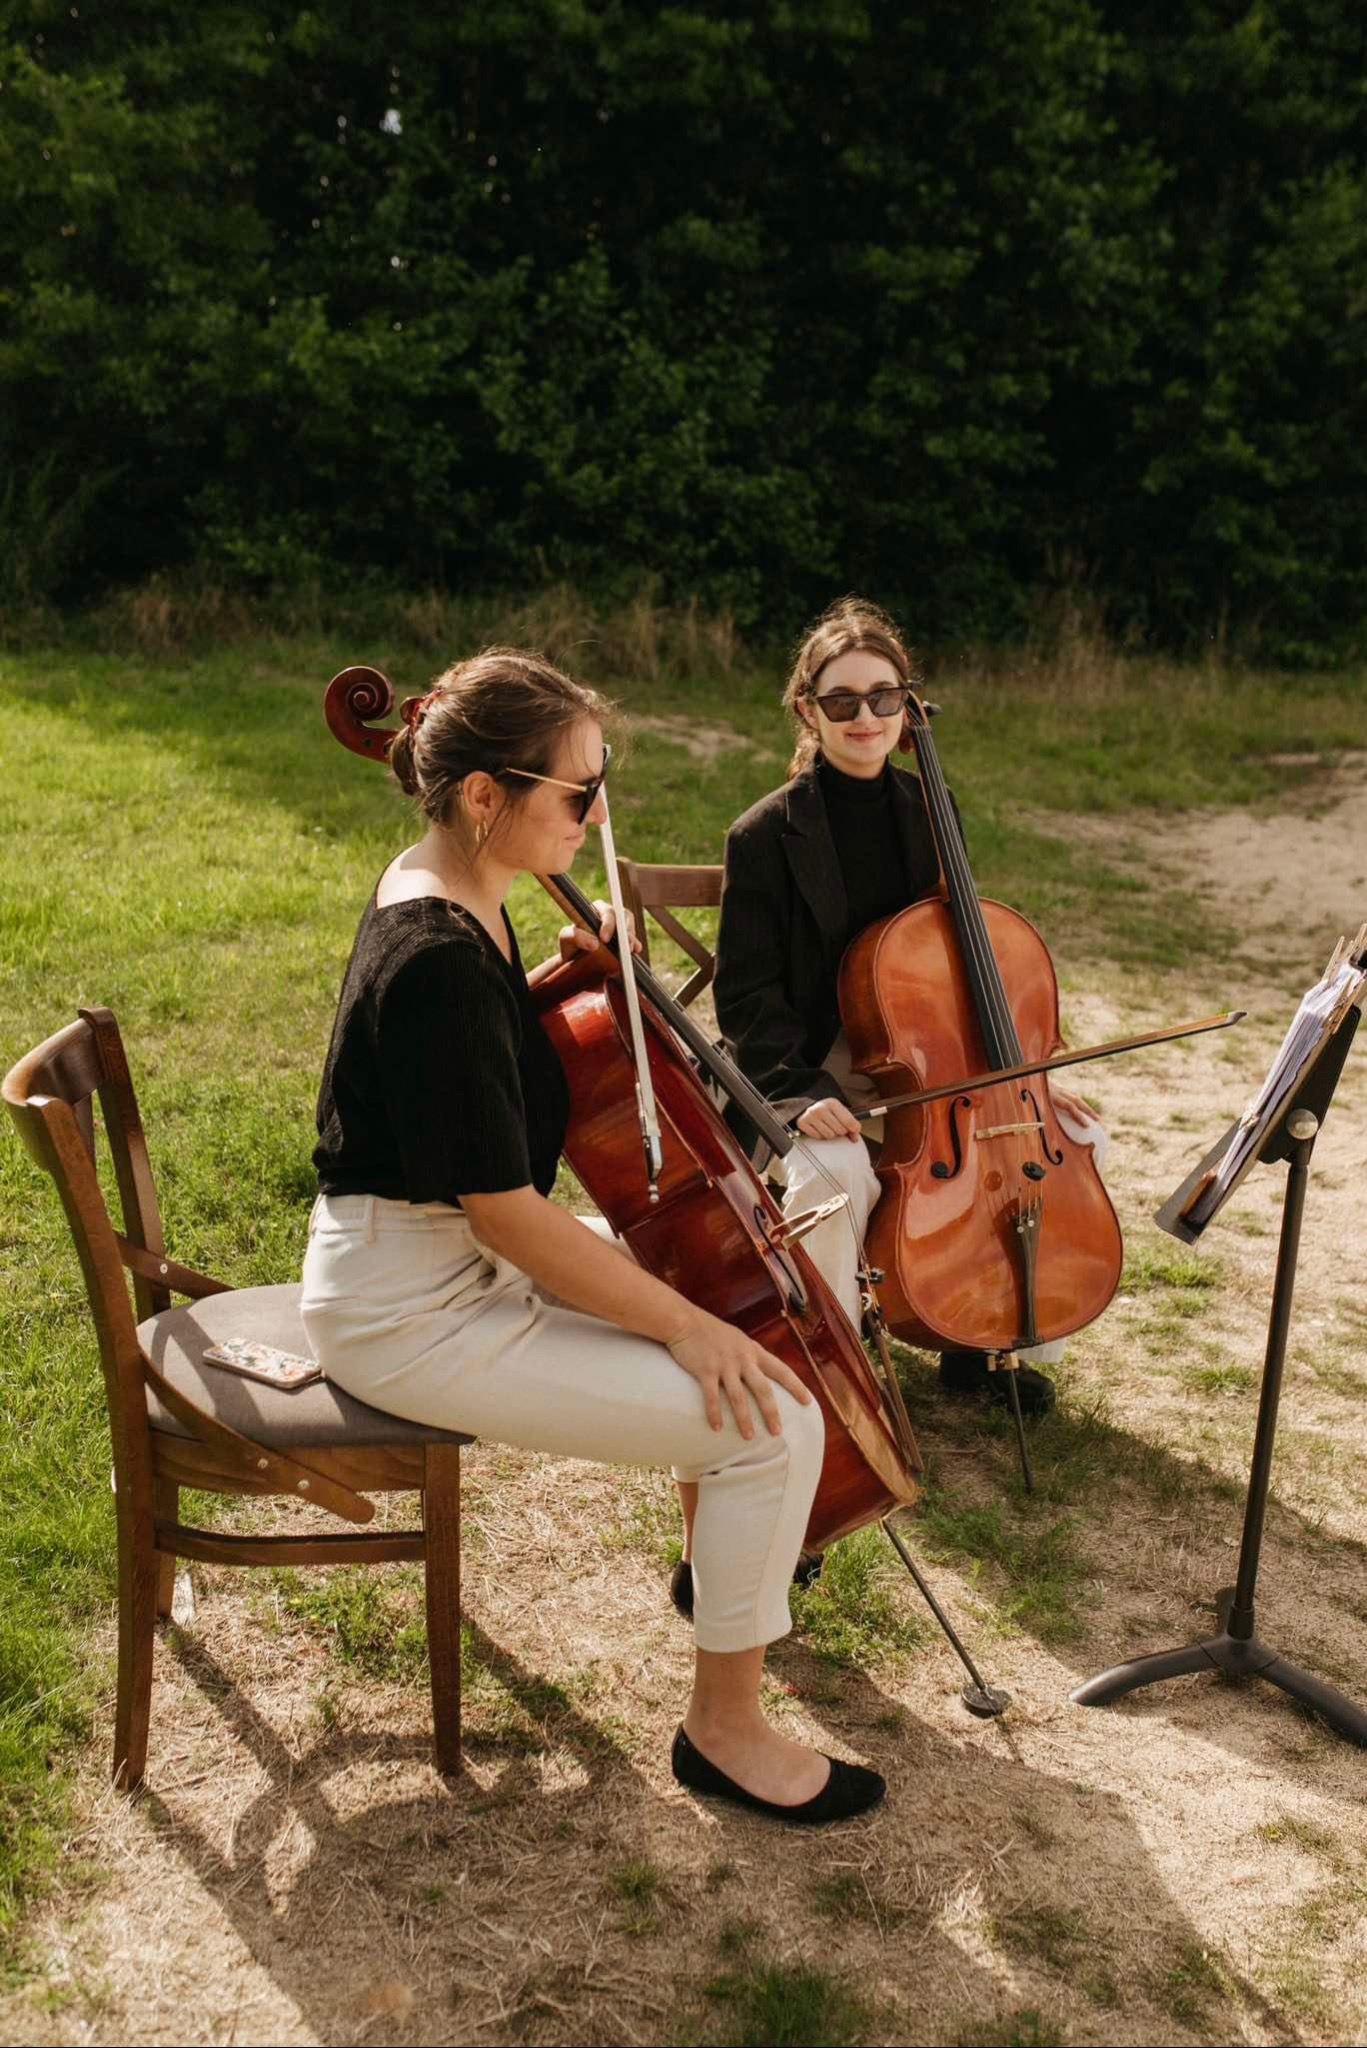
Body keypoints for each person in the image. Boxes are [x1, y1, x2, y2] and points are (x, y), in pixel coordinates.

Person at [300, 646, 884, 1826]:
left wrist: (584, 965)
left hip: (430, 1256)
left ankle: (725, 1565)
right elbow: (506, 1210)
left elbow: (477, 1098)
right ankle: (724, 1731)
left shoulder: (450, 890)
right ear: (485, 796)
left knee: (721, 1334)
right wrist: (676, 1322)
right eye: (577, 794)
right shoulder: (436, 960)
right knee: (772, 1416)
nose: (598, 812)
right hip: (410, 1306)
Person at [712, 597, 1107, 1410]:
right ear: (807, 711)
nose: (865, 716)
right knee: (836, 1171)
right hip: (814, 1061)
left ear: (907, 707)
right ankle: (829, 1366)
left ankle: (982, 1338)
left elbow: (960, 961)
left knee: (1073, 1133)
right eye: (842, 701)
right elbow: (746, 997)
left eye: (883, 697)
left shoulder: (931, 806)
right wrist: (799, 1093)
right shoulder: (762, 836)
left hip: (930, 1066)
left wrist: (1017, 1076)